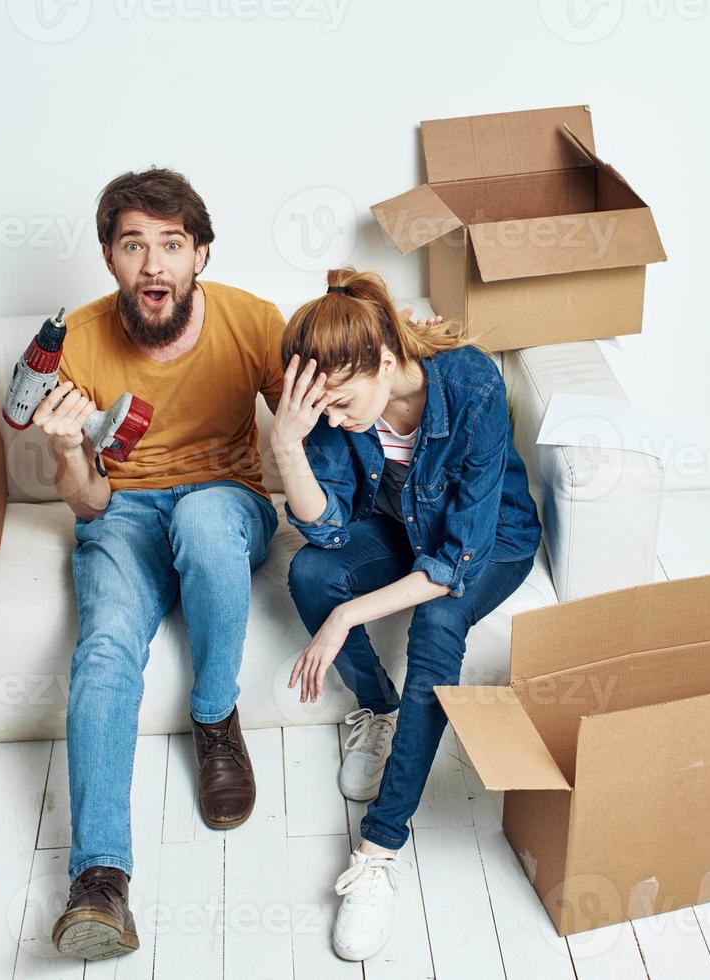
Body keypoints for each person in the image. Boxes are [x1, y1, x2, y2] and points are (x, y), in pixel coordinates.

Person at [36, 167, 289, 960]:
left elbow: (314, 433)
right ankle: (100, 881)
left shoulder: (254, 322)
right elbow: (84, 503)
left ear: (200, 254)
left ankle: (214, 718)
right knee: (107, 646)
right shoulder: (75, 339)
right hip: (122, 511)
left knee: (208, 520)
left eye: (171, 244)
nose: (154, 264)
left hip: (225, 499)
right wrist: (66, 448)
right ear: (111, 258)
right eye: (134, 245)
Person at [270, 267, 542, 961]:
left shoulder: (471, 383)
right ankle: (377, 707)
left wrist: (346, 618)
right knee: (309, 573)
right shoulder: (337, 411)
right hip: (400, 532)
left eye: (340, 402)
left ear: (386, 360)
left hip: (488, 543)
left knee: (439, 622)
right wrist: (286, 445)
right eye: (320, 409)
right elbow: (326, 533)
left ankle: (379, 851)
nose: (334, 419)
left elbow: (454, 560)